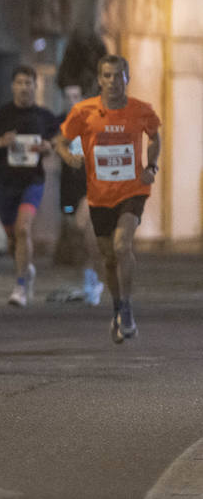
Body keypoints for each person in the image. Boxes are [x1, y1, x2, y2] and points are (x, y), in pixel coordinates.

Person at [54, 55, 161, 344]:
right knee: (109, 258)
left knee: (121, 244)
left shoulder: (141, 110)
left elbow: (154, 137)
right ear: (99, 80)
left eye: (118, 75)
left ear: (127, 78)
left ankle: (126, 309)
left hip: (132, 190)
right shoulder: (83, 111)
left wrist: (151, 167)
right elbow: (60, 142)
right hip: (99, 194)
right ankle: (117, 306)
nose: (113, 81)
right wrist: (69, 156)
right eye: (107, 76)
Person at [0, 65, 61, 307]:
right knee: (13, 239)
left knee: (24, 230)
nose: (24, 87)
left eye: (29, 83)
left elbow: (60, 140)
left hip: (32, 181)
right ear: (13, 86)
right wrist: (0, 141)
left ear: (36, 87)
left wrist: (49, 147)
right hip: (4, 182)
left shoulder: (44, 116)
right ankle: (27, 269)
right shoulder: (1, 115)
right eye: (20, 83)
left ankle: (20, 287)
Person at [55, 83, 106, 305]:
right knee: (80, 236)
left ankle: (95, 281)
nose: (72, 100)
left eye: (76, 96)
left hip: (92, 186)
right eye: (68, 96)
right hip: (69, 189)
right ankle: (91, 279)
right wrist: (65, 154)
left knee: (84, 228)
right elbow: (57, 143)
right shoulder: (62, 122)